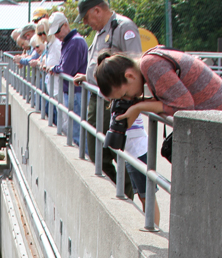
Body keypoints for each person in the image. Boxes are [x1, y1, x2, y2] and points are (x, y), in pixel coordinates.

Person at [73, 0, 141, 199]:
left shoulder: (122, 27)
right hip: (98, 97)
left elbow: (134, 64)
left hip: (114, 100)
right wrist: (88, 76)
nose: (86, 23)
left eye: (87, 17)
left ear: (97, 10)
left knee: (115, 150)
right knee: (96, 150)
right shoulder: (102, 31)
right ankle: (112, 189)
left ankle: (124, 194)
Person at [96, 50, 161, 226]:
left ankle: (152, 228)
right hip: (132, 152)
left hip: (139, 150)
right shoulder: (124, 99)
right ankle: (150, 225)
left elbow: (127, 124)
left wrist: (131, 107)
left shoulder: (130, 102)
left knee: (147, 196)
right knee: (142, 194)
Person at [95, 47, 222, 118]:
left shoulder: (151, 65)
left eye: (125, 94)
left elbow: (184, 108)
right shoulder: (149, 61)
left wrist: (138, 107)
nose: (128, 99)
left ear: (129, 76)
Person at [48, 12, 88, 145]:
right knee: (73, 128)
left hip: (76, 93)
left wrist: (54, 68)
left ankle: (84, 157)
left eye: (58, 31)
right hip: (72, 92)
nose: (56, 35)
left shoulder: (75, 42)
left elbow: (66, 69)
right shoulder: (70, 41)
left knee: (76, 130)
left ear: (66, 25)